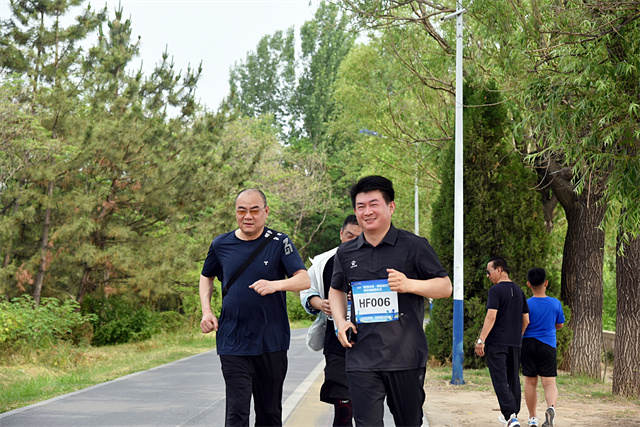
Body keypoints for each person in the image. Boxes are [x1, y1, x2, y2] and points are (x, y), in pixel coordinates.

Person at [328, 175, 452, 427]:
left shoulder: (414, 246)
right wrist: (341, 322)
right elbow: (336, 290)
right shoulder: (346, 252)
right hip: (361, 356)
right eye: (361, 206)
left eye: (373, 204)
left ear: (391, 206)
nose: (367, 212)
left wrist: (409, 285)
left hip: (405, 357)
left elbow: (444, 286)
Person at [199, 188, 310, 427]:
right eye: (242, 211)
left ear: (266, 211)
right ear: (235, 212)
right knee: (237, 413)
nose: (247, 216)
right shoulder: (220, 244)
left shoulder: (279, 242)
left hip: (271, 342)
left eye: (254, 210)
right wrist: (206, 311)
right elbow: (206, 276)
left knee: (269, 413)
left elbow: (304, 279)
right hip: (233, 340)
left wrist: (275, 285)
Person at [300, 215, 362, 426]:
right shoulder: (324, 261)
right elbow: (307, 290)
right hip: (336, 340)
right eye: (350, 236)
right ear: (341, 234)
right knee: (343, 404)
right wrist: (319, 303)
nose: (354, 241)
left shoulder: (378, 258)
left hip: (371, 340)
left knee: (365, 403)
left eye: (360, 237)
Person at [475, 257, 530, 427]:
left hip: (497, 342)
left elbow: (491, 316)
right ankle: (513, 413)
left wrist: (481, 340)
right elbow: (526, 320)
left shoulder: (495, 291)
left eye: (489, 271)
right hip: (515, 343)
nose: (487, 276)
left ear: (499, 270)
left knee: (499, 378)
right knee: (513, 378)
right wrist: (517, 336)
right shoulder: (519, 291)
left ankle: (510, 416)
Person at [522, 268, 564, 427]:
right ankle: (550, 407)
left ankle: (533, 417)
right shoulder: (555, 303)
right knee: (549, 382)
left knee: (530, 382)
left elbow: (523, 323)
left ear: (529, 284)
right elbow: (560, 324)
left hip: (528, 344)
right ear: (546, 283)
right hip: (548, 345)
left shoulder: (526, 303)